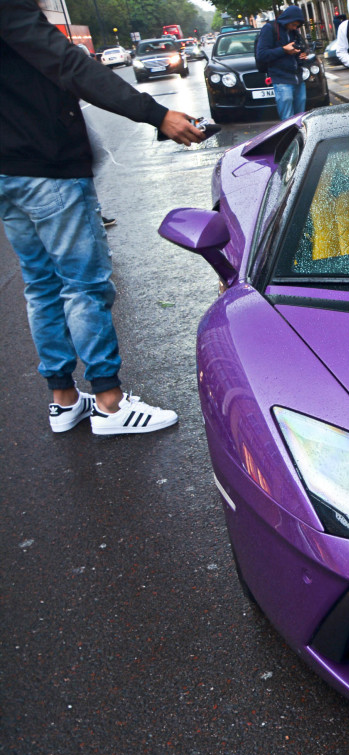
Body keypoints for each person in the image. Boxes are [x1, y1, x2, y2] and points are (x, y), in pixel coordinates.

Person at [0, 0, 204, 436]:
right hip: (47, 166)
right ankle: (110, 405)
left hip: (8, 171)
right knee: (83, 286)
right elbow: (70, 65)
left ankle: (65, 399)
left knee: (41, 286)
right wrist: (155, 113)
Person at [256, 5, 313, 121]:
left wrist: (303, 53)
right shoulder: (269, 29)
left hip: (298, 77)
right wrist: (283, 50)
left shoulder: (294, 32)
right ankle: (290, 138)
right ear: (287, 19)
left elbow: (303, 46)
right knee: (287, 121)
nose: (294, 27)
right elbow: (261, 55)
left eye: (297, 25)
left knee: (301, 119)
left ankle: (299, 139)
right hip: (281, 79)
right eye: (293, 24)